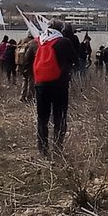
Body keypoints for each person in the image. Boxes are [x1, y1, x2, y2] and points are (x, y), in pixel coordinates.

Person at [33, 20, 76, 158]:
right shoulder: (63, 42)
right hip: (59, 85)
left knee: (42, 118)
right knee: (59, 117)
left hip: (40, 83)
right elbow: (74, 58)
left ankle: (43, 150)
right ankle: (58, 148)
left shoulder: (38, 40)